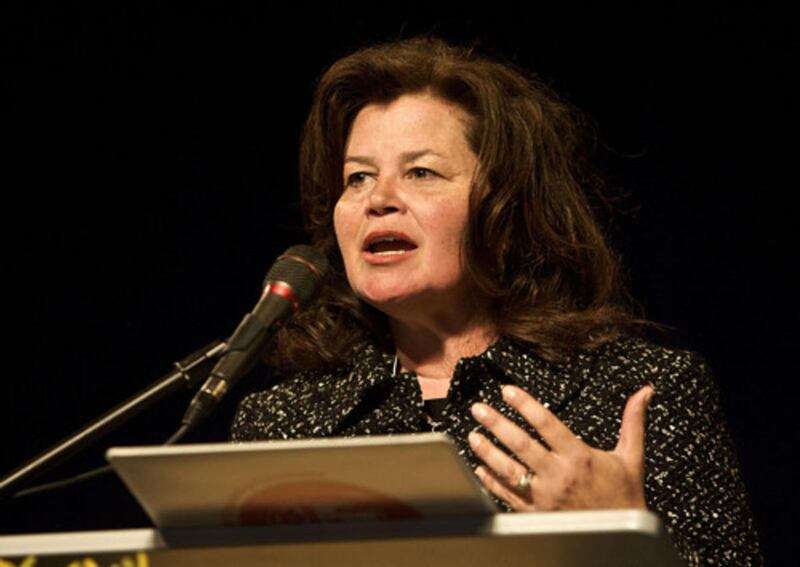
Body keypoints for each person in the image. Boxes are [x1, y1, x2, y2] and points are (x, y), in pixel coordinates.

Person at [231, 36, 762, 564]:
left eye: (421, 172)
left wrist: (626, 538)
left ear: (505, 214)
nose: (378, 200)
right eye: (358, 177)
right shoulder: (283, 424)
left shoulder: (638, 394)